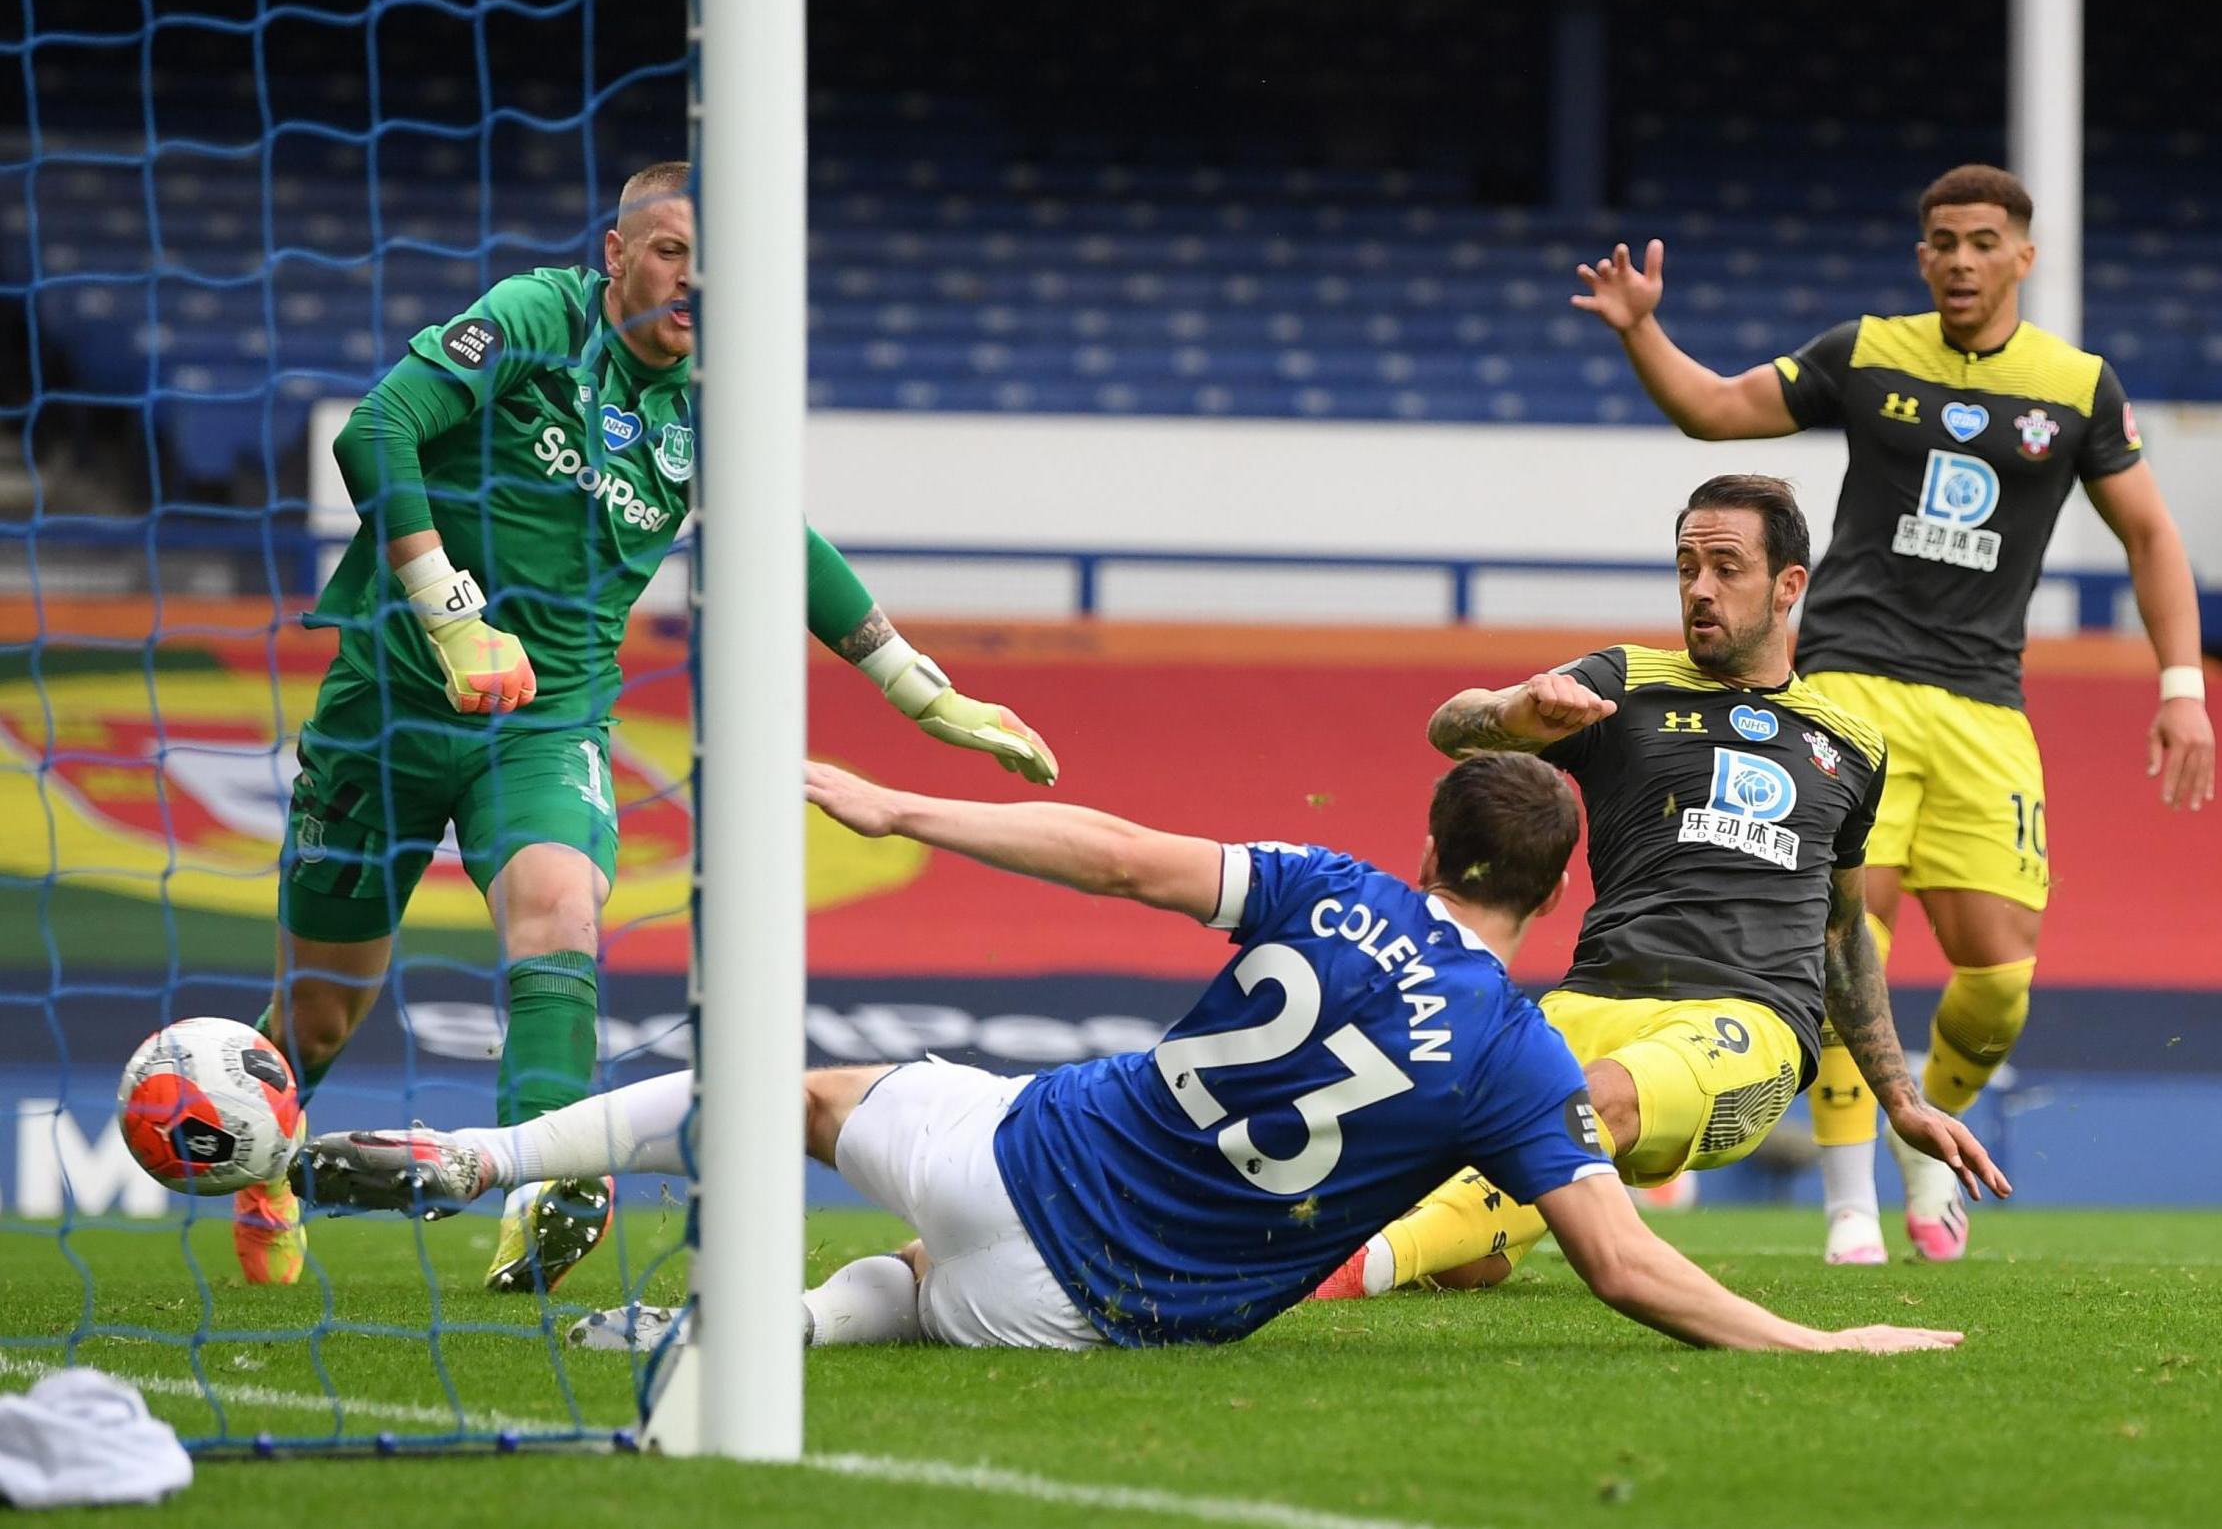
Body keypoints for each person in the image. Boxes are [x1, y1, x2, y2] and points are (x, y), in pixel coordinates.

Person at [293, 752, 1994, 1357]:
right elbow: (1626, 1266)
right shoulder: (1515, 1059)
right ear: (1560, 890)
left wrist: (893, 800)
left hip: (1015, 1147)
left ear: (1425, 836)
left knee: (793, 1099)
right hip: (1104, 1304)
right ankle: (733, 1330)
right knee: (910, 1282)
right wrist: (1817, 1336)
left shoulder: (1326, 889)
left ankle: (472, 1163)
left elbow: (1108, 851)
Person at [236, 161, 1058, 1292]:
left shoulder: (713, 400)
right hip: (388, 702)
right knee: (322, 1014)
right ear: (617, 254)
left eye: (712, 262)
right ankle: (261, 1164)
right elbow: (377, 432)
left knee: (558, 904)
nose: (693, 281)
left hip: (546, 718)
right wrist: (452, 615)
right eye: (671, 251)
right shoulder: (540, 316)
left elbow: (785, 540)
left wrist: (917, 686)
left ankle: (540, 1186)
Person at [1570, 164, 2213, 1263]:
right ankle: (1847, 1207)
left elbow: (2151, 536)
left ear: (2022, 253)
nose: (1958, 259)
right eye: (1939, 241)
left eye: (1979, 240)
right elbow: (1714, 409)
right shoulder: (1865, 352)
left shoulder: (2075, 386)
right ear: (1920, 256)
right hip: (1850, 686)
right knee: (1840, 933)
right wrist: (1640, 331)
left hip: (1981, 702)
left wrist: (2180, 688)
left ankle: (1923, 1147)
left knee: (1998, 979)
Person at [1309, 474, 2004, 1304]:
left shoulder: (1851, 743)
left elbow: (1842, 929)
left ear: (1789, 585)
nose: (1699, 588)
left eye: (1725, 566)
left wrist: (1901, 1096)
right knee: (1449, 1210)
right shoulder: (1624, 682)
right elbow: (1451, 725)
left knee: (1582, 1104)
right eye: (1685, 566)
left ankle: (1336, 1276)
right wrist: (1520, 713)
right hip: (1592, 997)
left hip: (1747, 1019)